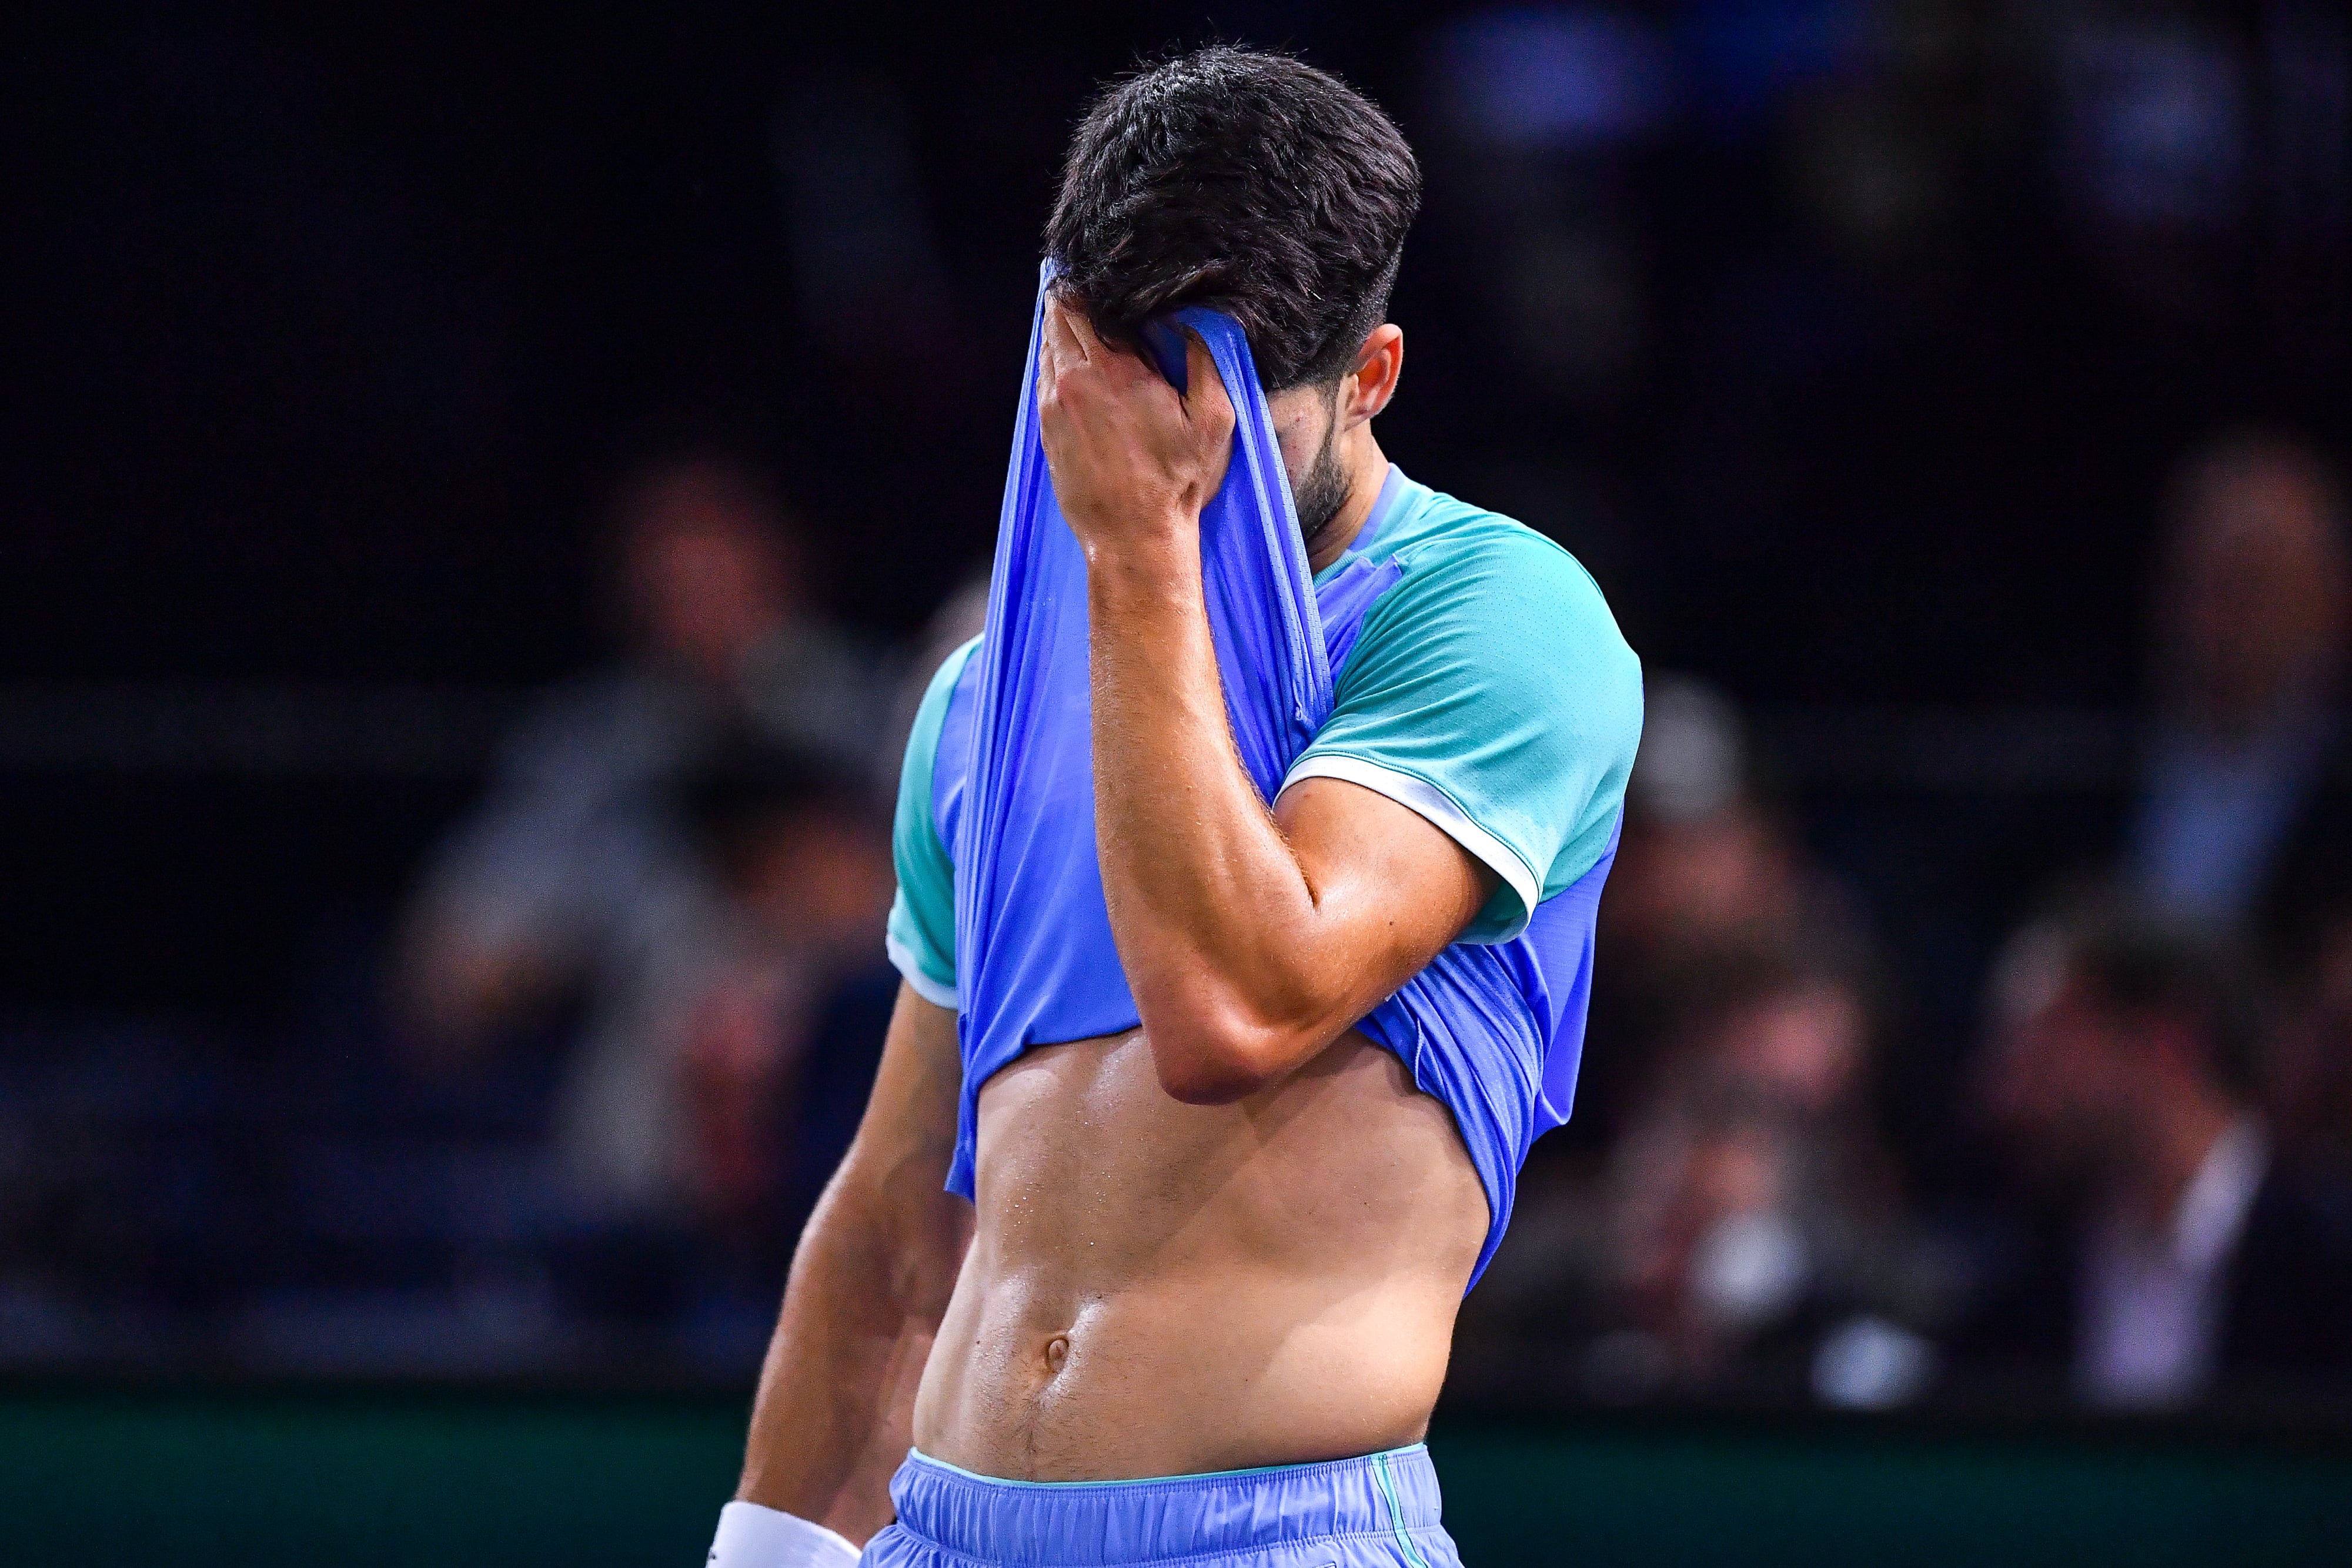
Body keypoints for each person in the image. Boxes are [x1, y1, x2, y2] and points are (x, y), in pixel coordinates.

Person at [708, 48, 1642, 1568]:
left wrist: (1137, 554)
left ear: (1373, 378)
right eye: (1134, 398)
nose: (1176, 465)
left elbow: (1232, 1012)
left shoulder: (1498, 617)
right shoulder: (986, 703)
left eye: (1227, 419)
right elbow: (895, 1225)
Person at [397, 451, 884, 1225]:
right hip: (636, 1192)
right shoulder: (597, 752)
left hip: (853, 1157)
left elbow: (952, 926)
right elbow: (450, 978)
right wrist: (583, 925)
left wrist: (818, 890)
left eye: (722, 571)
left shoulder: (872, 720)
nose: (700, 605)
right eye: (672, 584)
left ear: (779, 565)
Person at [1960, 901, 2352, 1409]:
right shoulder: (2024, 1290)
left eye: (2046, 1051)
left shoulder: (2329, 1256)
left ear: (2164, 1038)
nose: (2007, 1099)